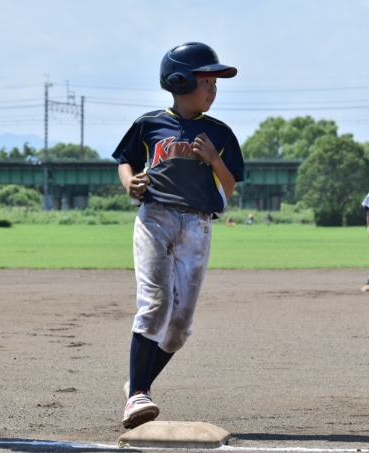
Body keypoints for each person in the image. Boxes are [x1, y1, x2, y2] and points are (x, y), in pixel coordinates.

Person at [112, 42, 244, 430]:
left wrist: (214, 160)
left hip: (198, 225)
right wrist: (129, 183)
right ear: (180, 80)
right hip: (155, 219)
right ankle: (138, 395)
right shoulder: (150, 124)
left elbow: (229, 187)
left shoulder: (219, 133)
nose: (213, 89)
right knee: (155, 305)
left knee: (180, 326)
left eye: (215, 84)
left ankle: (138, 384)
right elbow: (125, 161)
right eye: (206, 81)